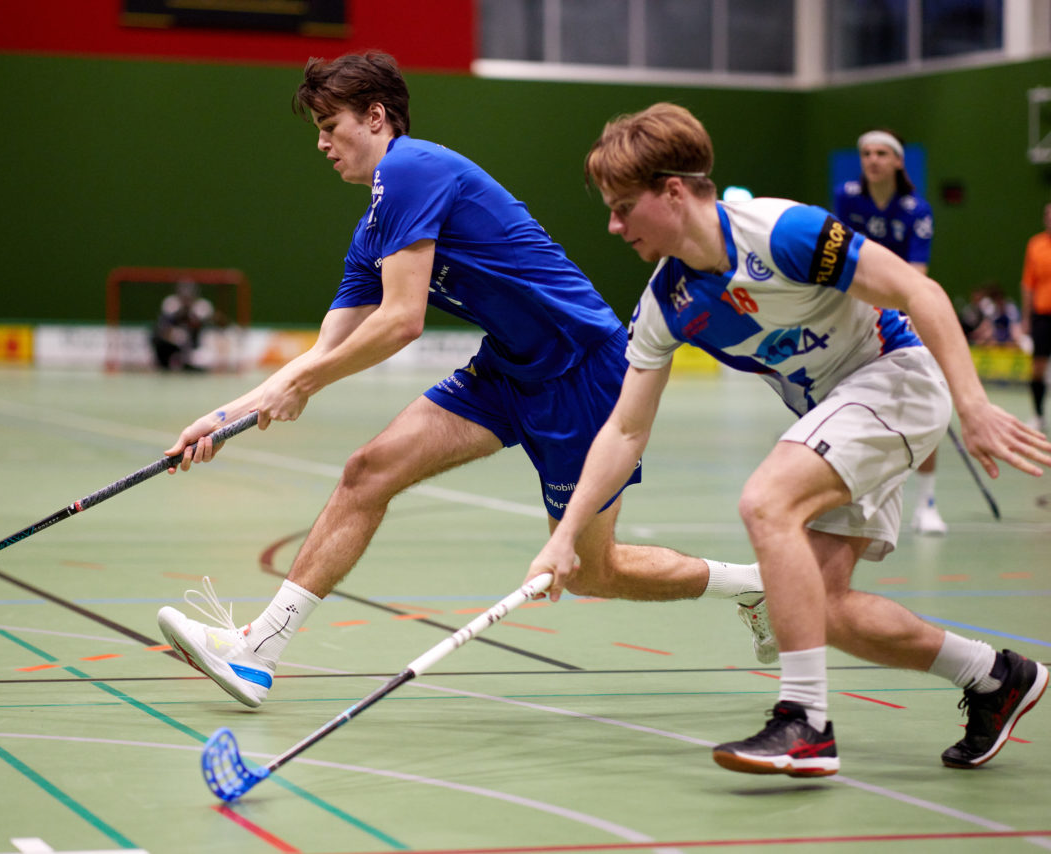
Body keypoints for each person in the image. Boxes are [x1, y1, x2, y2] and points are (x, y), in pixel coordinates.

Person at [153, 53, 771, 709]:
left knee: (594, 571)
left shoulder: (410, 169)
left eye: (331, 126)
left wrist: (300, 388)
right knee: (368, 471)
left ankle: (753, 585)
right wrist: (225, 417)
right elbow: (325, 351)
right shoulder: (373, 231)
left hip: (581, 370)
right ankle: (258, 651)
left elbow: (401, 321)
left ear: (376, 117)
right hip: (506, 370)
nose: (322, 144)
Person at [527, 103, 1051, 777]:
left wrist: (972, 405)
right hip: (836, 412)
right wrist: (567, 535)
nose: (614, 225)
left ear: (674, 192)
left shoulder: (783, 232)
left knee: (767, 500)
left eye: (624, 207)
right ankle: (995, 677)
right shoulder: (666, 303)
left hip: (892, 375)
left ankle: (805, 723)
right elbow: (626, 429)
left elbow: (918, 292)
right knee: (817, 608)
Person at [833, 129, 946, 535]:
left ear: (898, 161)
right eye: (866, 153)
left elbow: (917, 273)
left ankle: (927, 503)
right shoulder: (847, 197)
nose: (872, 160)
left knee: (923, 401)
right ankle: (851, 495)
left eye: (882, 153)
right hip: (856, 309)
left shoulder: (917, 209)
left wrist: (902, 310)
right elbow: (841, 255)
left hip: (900, 310)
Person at [1021, 202, 1051, 433]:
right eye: (1047, 215)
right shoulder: (1035, 244)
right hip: (1042, 315)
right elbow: (1028, 285)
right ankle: (1038, 415)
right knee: (1038, 367)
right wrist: (1026, 319)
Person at [151, 280, 222, 372]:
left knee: (202, 360)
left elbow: (216, 324)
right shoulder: (171, 304)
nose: (186, 299)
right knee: (163, 338)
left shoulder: (203, 307)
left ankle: (186, 362)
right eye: (184, 295)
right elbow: (163, 328)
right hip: (175, 344)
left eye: (189, 295)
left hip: (197, 346)